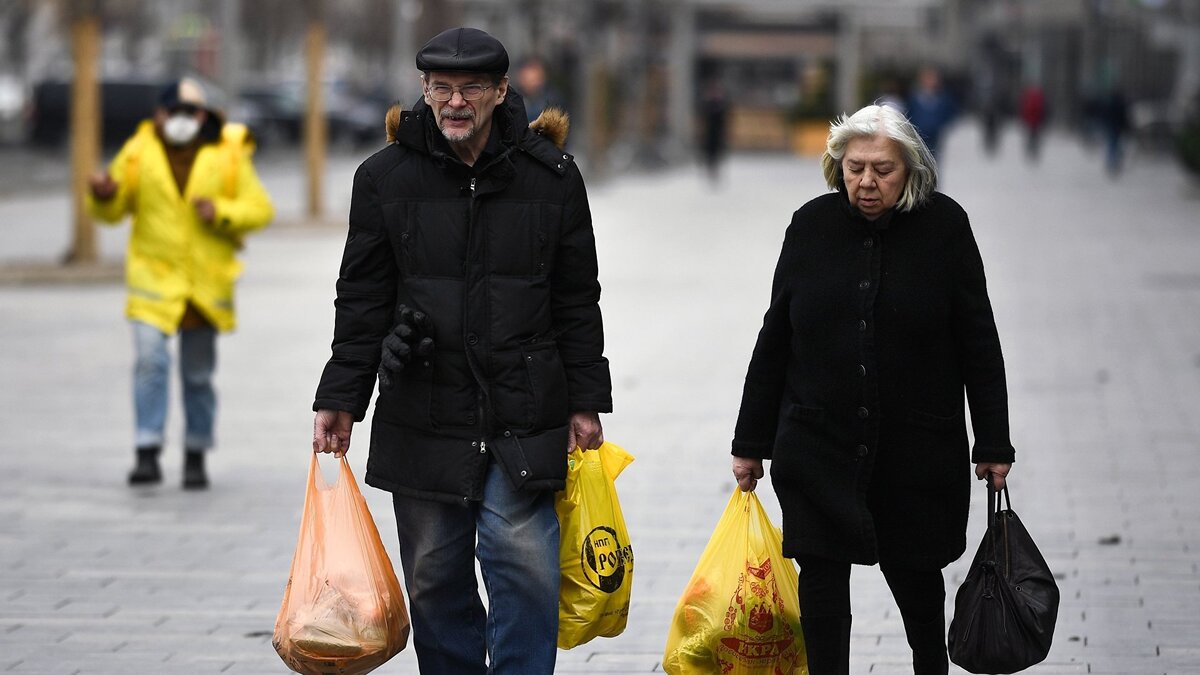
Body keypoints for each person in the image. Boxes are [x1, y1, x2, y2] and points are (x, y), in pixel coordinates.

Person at [311, 27, 611, 675]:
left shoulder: (551, 177)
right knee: (433, 576)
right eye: (441, 87)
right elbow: (361, 296)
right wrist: (341, 394)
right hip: (423, 401)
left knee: (524, 569)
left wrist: (587, 400)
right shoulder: (384, 178)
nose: (455, 101)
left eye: (471, 87)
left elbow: (577, 297)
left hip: (524, 403)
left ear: (502, 91)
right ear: (423, 90)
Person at [729, 104, 1015, 675]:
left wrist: (993, 444)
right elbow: (775, 336)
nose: (866, 182)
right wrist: (749, 443)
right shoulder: (810, 226)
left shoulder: (946, 228)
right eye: (854, 167)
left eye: (882, 170)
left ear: (911, 169)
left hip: (916, 446)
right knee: (822, 576)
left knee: (916, 575)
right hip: (817, 440)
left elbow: (978, 340)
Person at [88, 77, 273, 489]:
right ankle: (147, 450)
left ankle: (195, 452)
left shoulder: (228, 152)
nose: (181, 121)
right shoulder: (139, 151)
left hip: (203, 285)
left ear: (203, 115)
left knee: (197, 375)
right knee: (150, 363)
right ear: (159, 114)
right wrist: (102, 195)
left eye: (190, 113)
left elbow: (259, 208)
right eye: (174, 113)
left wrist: (221, 211)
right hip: (152, 279)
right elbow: (114, 209)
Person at [906, 66, 957, 161]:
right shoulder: (915, 97)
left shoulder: (943, 97)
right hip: (919, 134)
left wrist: (941, 124)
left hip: (935, 135)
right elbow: (909, 114)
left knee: (934, 158)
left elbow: (950, 113)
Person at [1019, 83, 1047, 162]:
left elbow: (1024, 109)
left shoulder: (1028, 97)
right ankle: (1034, 151)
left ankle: (1030, 150)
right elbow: (1043, 110)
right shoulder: (1039, 97)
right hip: (1036, 121)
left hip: (1030, 121)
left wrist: (1024, 119)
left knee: (1030, 136)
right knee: (1035, 136)